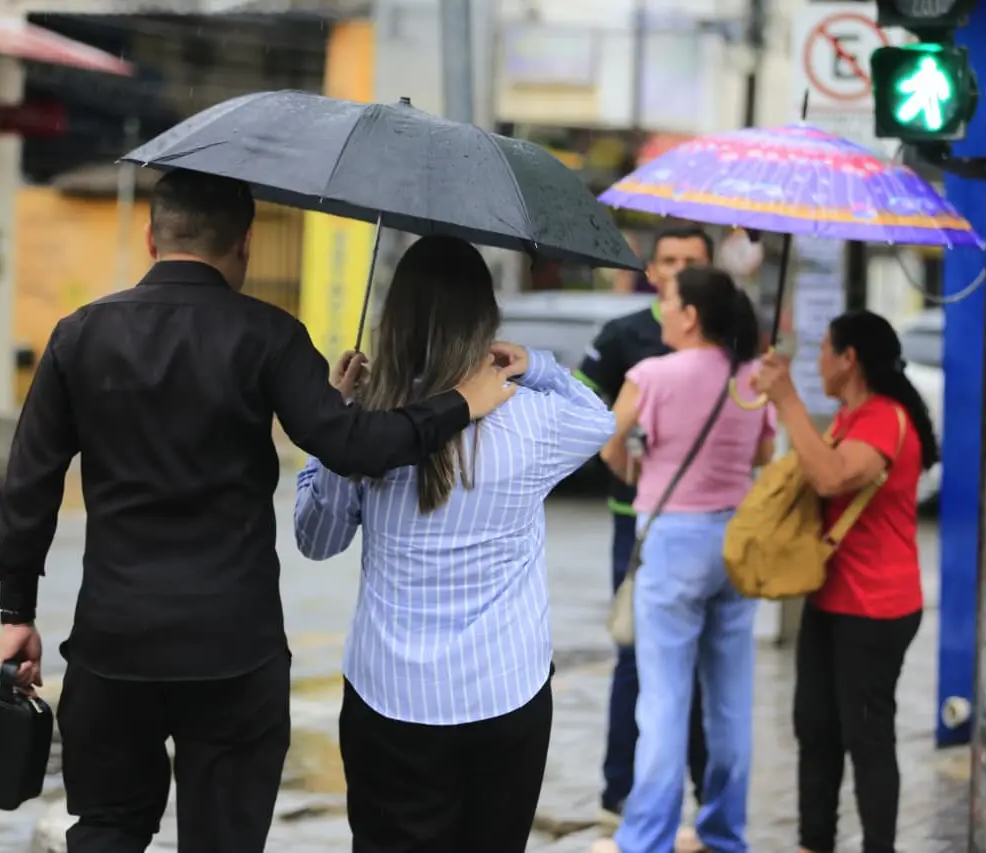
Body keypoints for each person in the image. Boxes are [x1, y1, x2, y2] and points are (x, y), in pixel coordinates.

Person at [0, 171, 517, 853]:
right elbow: (356, 446)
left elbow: (27, 485)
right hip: (233, 651)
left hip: (115, 644)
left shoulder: (79, 335)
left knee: (108, 827)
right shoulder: (269, 335)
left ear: (151, 237)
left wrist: (15, 613)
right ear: (245, 245)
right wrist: (460, 402)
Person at [292, 235, 615, 853]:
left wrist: (336, 420)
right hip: (506, 693)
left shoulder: (370, 426)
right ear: (485, 320)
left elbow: (316, 539)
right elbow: (599, 417)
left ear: (397, 316)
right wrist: (539, 364)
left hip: (389, 698)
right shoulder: (533, 419)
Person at [592, 266, 774, 853]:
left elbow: (609, 443)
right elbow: (765, 451)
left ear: (691, 315)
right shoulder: (751, 376)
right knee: (729, 702)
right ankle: (723, 831)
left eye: (668, 301)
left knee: (664, 700)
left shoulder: (651, 375)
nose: (662, 310)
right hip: (735, 541)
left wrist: (635, 471)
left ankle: (647, 836)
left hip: (671, 541)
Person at [750, 309, 937, 853]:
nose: (819, 361)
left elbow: (830, 476)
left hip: (876, 607)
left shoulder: (883, 417)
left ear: (848, 358)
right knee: (816, 730)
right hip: (831, 596)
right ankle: (815, 842)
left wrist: (787, 400)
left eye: (825, 350)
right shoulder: (849, 416)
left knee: (867, 738)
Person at [575, 225, 715, 846]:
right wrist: (619, 455)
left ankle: (707, 791)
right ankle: (619, 791)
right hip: (636, 524)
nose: (680, 269)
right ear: (651, 270)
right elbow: (583, 414)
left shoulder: (732, 337)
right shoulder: (622, 336)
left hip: (710, 528)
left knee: (706, 662)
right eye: (670, 260)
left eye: (693, 261)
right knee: (634, 655)